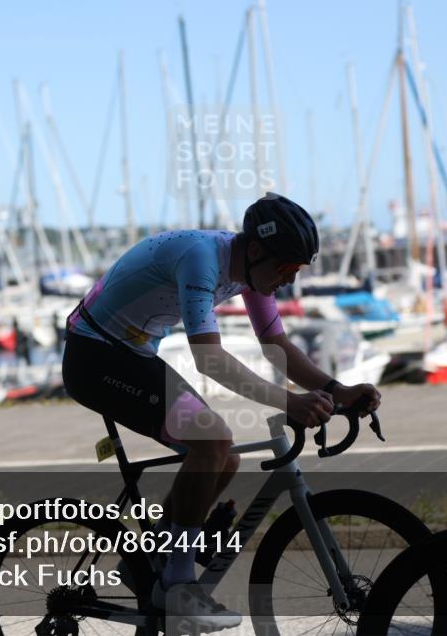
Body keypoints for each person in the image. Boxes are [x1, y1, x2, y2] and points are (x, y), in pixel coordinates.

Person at [62, 193, 381, 631]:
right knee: (211, 441)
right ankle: (178, 586)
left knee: (223, 454)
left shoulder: (252, 272)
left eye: (299, 270)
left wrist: (337, 390)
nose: (290, 278)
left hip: (131, 352)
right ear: (256, 249)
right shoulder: (201, 259)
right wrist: (290, 402)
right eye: (287, 267)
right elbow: (209, 359)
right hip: (93, 356)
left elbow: (277, 346)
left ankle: (151, 565)